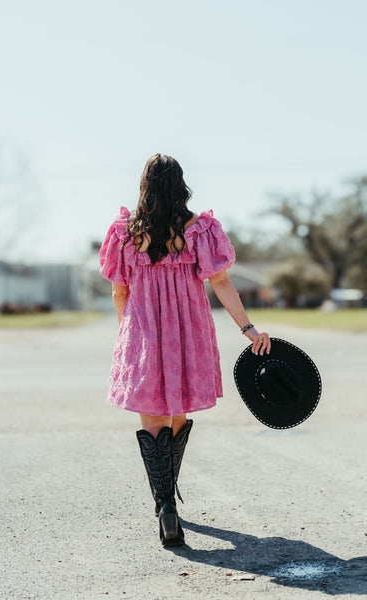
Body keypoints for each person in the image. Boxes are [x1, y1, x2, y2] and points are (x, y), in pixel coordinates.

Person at [99, 153, 271, 547]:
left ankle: (165, 507)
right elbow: (222, 283)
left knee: (152, 419)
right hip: (188, 332)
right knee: (178, 410)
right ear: (181, 185)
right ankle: (169, 498)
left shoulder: (124, 233)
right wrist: (248, 328)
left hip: (143, 331)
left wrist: (131, 331)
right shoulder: (199, 229)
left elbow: (118, 290)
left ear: (144, 185)